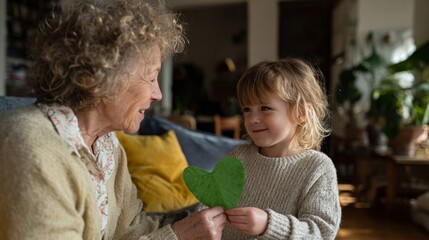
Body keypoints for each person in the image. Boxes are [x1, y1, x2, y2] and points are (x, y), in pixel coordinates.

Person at [0, 0, 227, 239]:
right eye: (150, 77)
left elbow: (131, 230)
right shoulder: (30, 147)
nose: (158, 94)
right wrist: (177, 237)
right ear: (97, 79)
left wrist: (194, 222)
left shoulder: (107, 147)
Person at [223, 58, 341, 239]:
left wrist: (269, 225)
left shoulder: (318, 168)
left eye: (265, 108)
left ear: (301, 112)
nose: (253, 119)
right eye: (247, 109)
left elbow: (321, 233)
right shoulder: (238, 157)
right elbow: (210, 204)